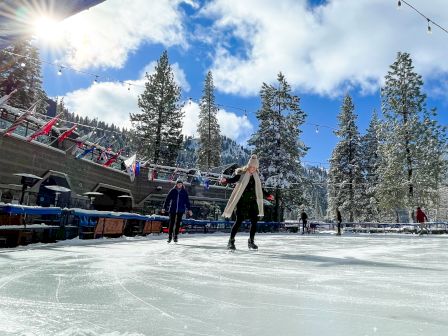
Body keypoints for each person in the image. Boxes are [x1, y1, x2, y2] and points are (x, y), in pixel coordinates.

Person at [221, 154, 273, 250]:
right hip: (242, 202)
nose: (252, 169)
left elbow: (260, 189)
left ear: (256, 168)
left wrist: (268, 195)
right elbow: (233, 179)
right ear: (248, 166)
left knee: (254, 221)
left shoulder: (256, 177)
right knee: (239, 221)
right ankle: (231, 241)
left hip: (252, 203)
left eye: (254, 167)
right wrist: (226, 180)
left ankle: (251, 241)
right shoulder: (242, 174)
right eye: (251, 167)